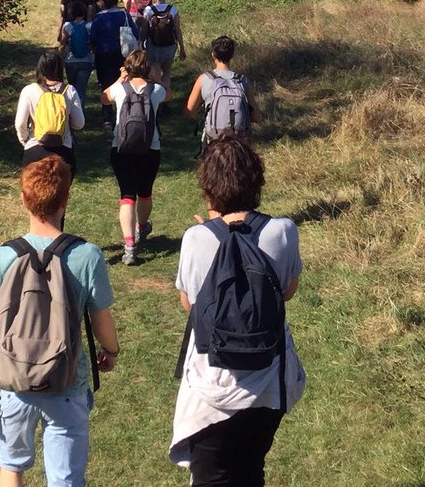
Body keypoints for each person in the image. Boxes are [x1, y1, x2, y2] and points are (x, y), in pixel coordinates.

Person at [0, 156, 120, 487]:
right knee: (65, 478)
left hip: (13, 383)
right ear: (65, 200)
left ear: (23, 200)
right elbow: (101, 321)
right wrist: (111, 352)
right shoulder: (87, 256)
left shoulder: (2, 258)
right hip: (68, 381)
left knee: (11, 466)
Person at [169, 134, 305, 484]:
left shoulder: (196, 239)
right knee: (250, 471)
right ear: (256, 181)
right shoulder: (283, 231)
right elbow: (287, 292)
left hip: (212, 386)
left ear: (208, 186)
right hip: (268, 383)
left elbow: (191, 304)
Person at [102, 49, 166, 266]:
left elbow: (104, 98)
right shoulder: (155, 90)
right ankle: (141, 227)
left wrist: (119, 79)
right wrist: (158, 78)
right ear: (147, 67)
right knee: (145, 193)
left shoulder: (120, 89)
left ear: (128, 66)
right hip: (151, 148)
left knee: (127, 196)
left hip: (121, 148)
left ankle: (129, 246)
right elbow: (170, 95)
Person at [15, 50, 86, 179]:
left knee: (33, 196)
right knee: (59, 197)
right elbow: (79, 124)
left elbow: (20, 123)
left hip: (34, 151)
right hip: (63, 152)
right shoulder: (69, 90)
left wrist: (24, 139)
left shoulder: (29, 90)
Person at [185, 36, 262, 147]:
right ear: (232, 55)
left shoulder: (204, 79)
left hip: (213, 140)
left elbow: (188, 112)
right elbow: (257, 117)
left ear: (213, 55)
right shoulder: (242, 81)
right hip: (240, 141)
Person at [88, 0, 138, 130]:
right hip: (123, 53)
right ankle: (125, 112)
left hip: (103, 54)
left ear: (104, 3)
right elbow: (135, 32)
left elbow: (92, 37)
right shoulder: (123, 14)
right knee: (125, 81)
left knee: (105, 84)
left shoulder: (98, 18)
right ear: (116, 2)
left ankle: (107, 118)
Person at [143, 0, 186, 94]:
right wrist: (182, 47)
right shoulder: (173, 10)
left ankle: (156, 98)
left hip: (153, 45)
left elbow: (144, 29)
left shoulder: (148, 10)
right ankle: (166, 96)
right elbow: (177, 29)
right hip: (169, 45)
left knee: (155, 72)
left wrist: (141, 44)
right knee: (166, 72)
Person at [57, 1, 94, 110]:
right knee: (81, 90)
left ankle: (71, 114)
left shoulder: (68, 26)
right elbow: (92, 43)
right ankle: (80, 115)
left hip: (71, 61)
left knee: (71, 88)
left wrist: (58, 55)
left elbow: (62, 43)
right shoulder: (89, 26)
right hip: (86, 61)